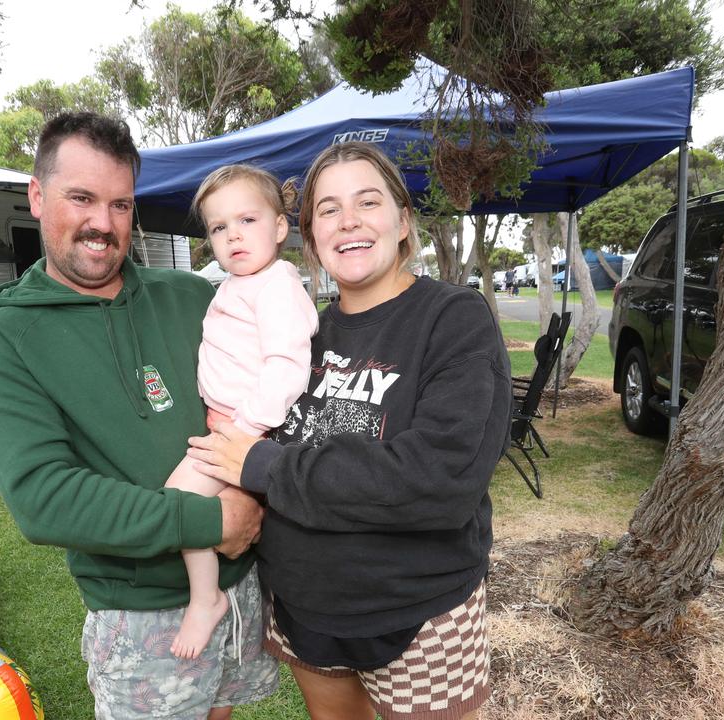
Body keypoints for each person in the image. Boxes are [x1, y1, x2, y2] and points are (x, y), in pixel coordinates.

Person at [0, 112, 278, 720]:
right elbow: (45, 499)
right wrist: (211, 521)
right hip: (141, 614)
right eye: (81, 198)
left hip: (241, 589)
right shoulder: (5, 340)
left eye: (121, 205)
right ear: (36, 195)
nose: (102, 224)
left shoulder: (193, 297)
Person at [188, 141, 511, 720]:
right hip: (304, 605)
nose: (350, 221)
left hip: (417, 611)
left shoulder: (452, 318)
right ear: (309, 236)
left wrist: (262, 466)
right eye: (329, 209)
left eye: (368, 201)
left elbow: (441, 478)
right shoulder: (300, 333)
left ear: (403, 220)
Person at [166, 165, 318, 660]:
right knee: (204, 511)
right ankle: (213, 595)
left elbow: (286, 366)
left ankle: (205, 599)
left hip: (248, 429)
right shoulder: (236, 285)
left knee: (180, 502)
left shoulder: (277, 285)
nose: (232, 235)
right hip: (230, 423)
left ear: (279, 228)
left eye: (247, 220)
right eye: (218, 227)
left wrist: (245, 430)